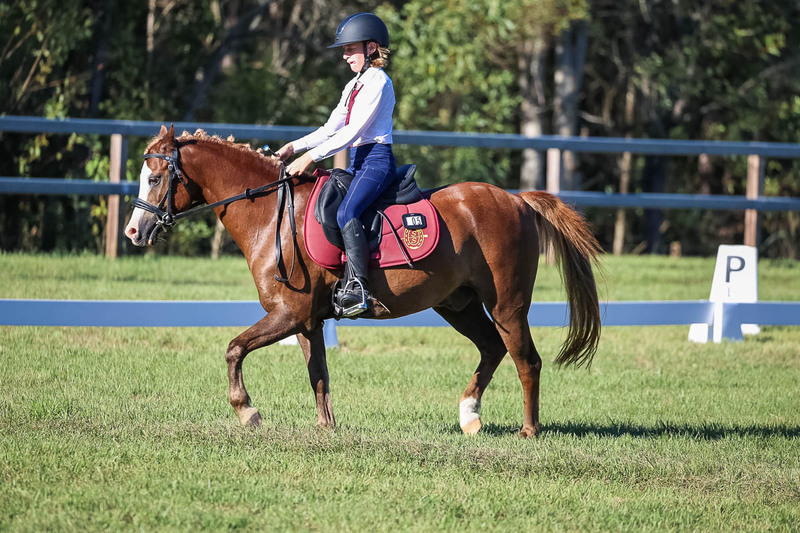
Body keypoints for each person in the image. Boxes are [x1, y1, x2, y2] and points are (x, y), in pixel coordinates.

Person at [276, 13, 396, 318]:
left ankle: (359, 288)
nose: (345, 56)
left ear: (371, 48)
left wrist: (311, 158)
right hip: (358, 162)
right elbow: (330, 128)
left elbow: (353, 132)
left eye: (350, 49)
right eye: (344, 50)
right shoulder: (354, 85)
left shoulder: (378, 82)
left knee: (346, 212)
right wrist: (294, 147)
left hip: (376, 161)